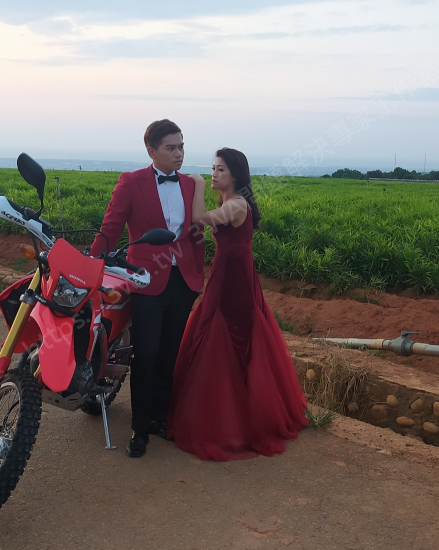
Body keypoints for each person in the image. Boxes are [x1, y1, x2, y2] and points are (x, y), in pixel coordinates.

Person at [168, 148, 308, 461]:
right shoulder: (230, 202)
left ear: (235, 175)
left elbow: (200, 220)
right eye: (212, 169)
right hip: (228, 271)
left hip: (234, 276)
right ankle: (227, 406)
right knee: (219, 330)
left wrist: (197, 184)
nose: (214, 174)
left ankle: (234, 417)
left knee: (228, 333)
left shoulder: (236, 204)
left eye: (220, 170)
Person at [90, 119, 205, 458]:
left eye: (181, 146)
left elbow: (196, 232)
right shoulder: (131, 182)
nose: (179, 153)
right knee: (147, 354)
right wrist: (91, 265)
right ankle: (139, 429)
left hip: (183, 282)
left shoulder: (190, 184)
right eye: (171, 147)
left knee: (170, 353)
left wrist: (197, 273)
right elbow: (111, 227)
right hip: (145, 281)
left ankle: (159, 419)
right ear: (151, 150)